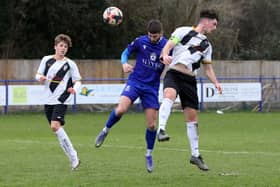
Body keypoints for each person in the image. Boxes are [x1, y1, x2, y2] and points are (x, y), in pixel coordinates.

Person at [94, 19, 168, 173]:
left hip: (151, 88)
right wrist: (124, 63)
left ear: (161, 34)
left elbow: (177, 58)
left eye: (155, 36)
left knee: (151, 125)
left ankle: (148, 154)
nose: (152, 38)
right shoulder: (141, 41)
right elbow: (125, 52)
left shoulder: (167, 46)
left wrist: (170, 60)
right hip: (135, 82)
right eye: (150, 35)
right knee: (121, 109)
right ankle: (105, 130)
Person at [157, 9, 222, 171]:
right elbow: (168, 46)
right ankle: (161, 129)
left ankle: (195, 155)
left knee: (192, 118)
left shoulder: (207, 45)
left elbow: (208, 69)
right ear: (205, 21)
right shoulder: (183, 31)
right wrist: (165, 55)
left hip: (190, 80)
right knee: (169, 95)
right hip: (174, 74)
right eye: (214, 24)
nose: (214, 28)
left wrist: (216, 83)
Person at [35, 34, 82, 170]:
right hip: (47, 99)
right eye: (61, 45)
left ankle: (74, 155)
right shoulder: (46, 60)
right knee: (56, 129)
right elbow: (38, 74)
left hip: (62, 99)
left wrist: (75, 88)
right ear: (55, 46)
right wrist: (41, 78)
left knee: (55, 126)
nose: (63, 48)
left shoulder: (70, 64)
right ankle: (73, 159)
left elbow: (78, 80)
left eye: (65, 46)